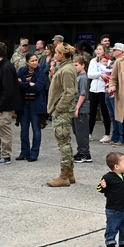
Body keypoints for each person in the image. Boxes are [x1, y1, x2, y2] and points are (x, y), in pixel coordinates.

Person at [45, 43, 78, 187]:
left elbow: (69, 92)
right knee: (65, 141)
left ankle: (64, 175)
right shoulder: (65, 67)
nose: (55, 55)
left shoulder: (67, 70)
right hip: (61, 110)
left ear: (63, 54)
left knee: (63, 143)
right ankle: (69, 174)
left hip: (62, 112)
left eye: (57, 53)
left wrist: (58, 108)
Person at [0, 42, 22, 165]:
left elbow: (8, 90)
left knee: (4, 131)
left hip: (3, 107)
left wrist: (0, 106)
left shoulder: (7, 67)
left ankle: (6, 156)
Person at [87, 44, 113, 142]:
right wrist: (100, 74)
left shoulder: (109, 61)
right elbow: (90, 74)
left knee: (105, 112)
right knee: (92, 112)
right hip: (93, 89)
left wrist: (101, 75)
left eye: (100, 49)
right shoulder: (93, 61)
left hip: (103, 89)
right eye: (97, 49)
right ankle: (89, 133)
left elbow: (109, 74)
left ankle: (107, 134)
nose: (98, 51)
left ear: (104, 50)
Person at [72, 55, 93, 164]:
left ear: (83, 65)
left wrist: (77, 108)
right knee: (77, 131)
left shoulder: (83, 78)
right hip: (76, 107)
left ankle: (85, 153)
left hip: (81, 108)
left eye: (76, 65)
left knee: (82, 132)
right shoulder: (78, 76)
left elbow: (83, 94)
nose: (74, 67)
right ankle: (81, 151)